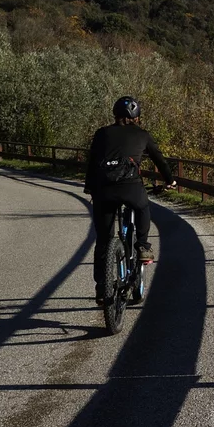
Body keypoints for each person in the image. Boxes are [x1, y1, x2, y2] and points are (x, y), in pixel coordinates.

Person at [84, 96, 176, 303]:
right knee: (142, 206)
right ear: (137, 117)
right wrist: (170, 180)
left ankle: (102, 287)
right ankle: (142, 246)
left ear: (115, 114)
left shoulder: (102, 133)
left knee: (103, 241)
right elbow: (160, 160)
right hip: (130, 188)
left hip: (103, 190)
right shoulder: (142, 135)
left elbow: (92, 162)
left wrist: (89, 186)